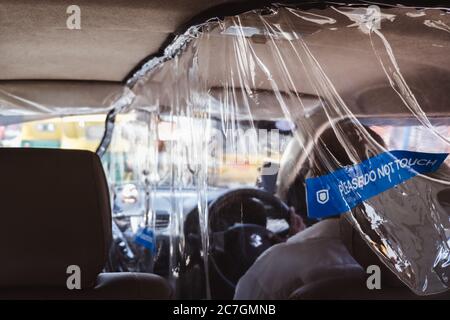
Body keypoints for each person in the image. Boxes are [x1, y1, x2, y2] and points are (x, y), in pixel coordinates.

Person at [234, 122, 385, 300]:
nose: (306, 177)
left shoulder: (275, 266)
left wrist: (298, 244)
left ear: (317, 180)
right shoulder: (400, 266)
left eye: (311, 167)